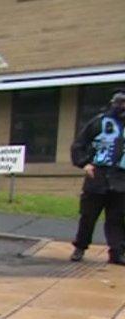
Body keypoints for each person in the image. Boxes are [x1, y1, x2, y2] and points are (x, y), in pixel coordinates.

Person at [70, 89, 125, 264]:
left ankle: (117, 252)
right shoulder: (99, 122)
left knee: (118, 218)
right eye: (119, 102)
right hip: (98, 176)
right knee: (88, 216)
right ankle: (80, 247)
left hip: (121, 179)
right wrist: (84, 163)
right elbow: (79, 144)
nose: (122, 106)